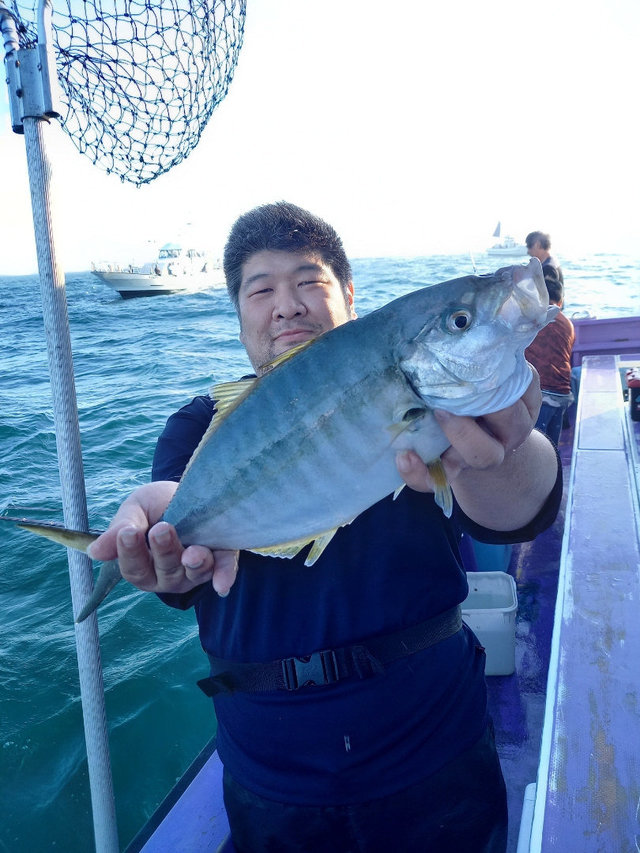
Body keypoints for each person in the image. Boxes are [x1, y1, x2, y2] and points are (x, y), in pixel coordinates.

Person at [89, 202, 562, 853]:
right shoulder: (198, 429)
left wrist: (508, 449)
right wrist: (161, 538)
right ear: (239, 314)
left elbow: (521, 508)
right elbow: (184, 571)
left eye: (309, 282)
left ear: (348, 295)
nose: (286, 305)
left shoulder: (440, 405)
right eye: (261, 289)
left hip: (432, 744)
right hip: (273, 774)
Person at [524, 271, 575, 447]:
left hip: (541, 394)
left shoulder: (532, 320)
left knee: (539, 447)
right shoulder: (568, 324)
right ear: (560, 302)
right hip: (563, 393)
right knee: (553, 447)